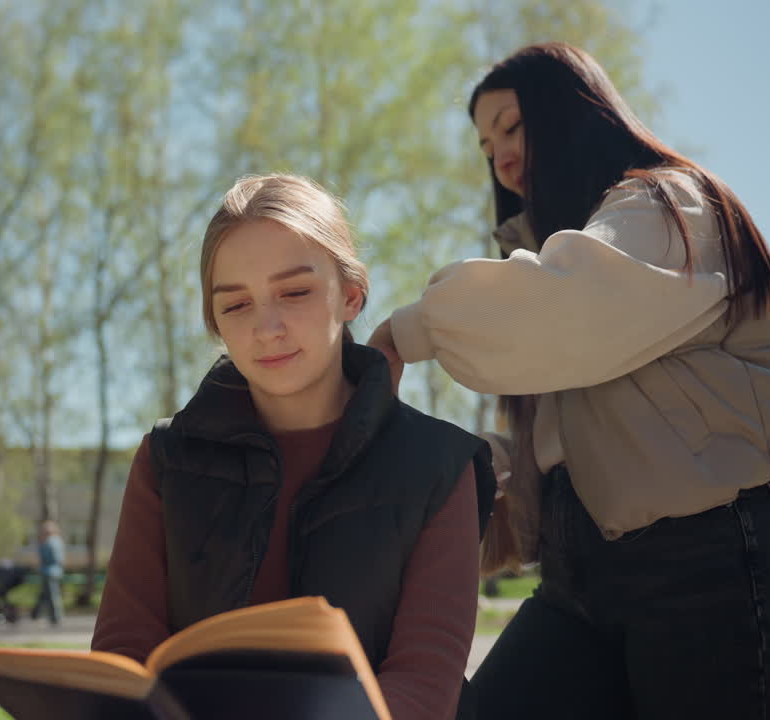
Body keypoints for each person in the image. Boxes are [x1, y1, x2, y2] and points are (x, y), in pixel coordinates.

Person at [368, 42, 770, 719]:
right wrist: (434, 471)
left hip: (709, 569)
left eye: (512, 127)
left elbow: (566, 308)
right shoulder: (562, 271)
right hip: (578, 584)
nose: (499, 157)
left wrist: (410, 332)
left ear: (572, 111)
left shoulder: (670, 205)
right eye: (486, 146)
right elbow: (564, 450)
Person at [93, 173, 495, 720]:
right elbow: (123, 658)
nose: (266, 328)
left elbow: (423, 687)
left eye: (295, 292)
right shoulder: (165, 460)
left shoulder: (440, 465)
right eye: (236, 305)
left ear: (351, 295)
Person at [30, 520, 65, 626]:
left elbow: (53, 558)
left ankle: (55, 617)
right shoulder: (58, 541)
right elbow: (60, 559)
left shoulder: (48, 542)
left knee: (51, 595)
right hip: (54, 571)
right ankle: (36, 614)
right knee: (47, 595)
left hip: (49, 572)